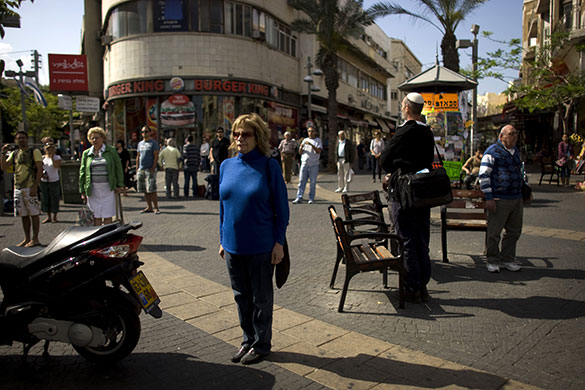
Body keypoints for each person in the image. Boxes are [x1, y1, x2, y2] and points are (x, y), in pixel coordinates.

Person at [219, 113, 289, 365]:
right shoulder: (226, 166)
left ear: (257, 137)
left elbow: (282, 210)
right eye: (236, 134)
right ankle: (247, 340)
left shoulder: (269, 166)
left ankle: (261, 344)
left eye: (245, 134)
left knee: (261, 299)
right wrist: (221, 238)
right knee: (241, 297)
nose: (239, 139)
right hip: (233, 245)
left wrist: (278, 242)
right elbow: (223, 207)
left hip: (261, 246)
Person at [380, 93, 435, 303]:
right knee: (421, 237)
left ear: (405, 108)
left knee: (406, 238)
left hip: (404, 191)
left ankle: (412, 285)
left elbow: (385, 160)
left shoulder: (404, 131)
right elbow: (428, 160)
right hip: (423, 191)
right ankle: (422, 284)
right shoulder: (427, 132)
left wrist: (397, 167)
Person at [479, 124, 524, 273]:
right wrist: (489, 197)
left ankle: (508, 258)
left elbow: (520, 171)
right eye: (511, 134)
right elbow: (484, 175)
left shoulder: (515, 152)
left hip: (516, 197)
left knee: (514, 231)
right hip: (500, 198)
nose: (514, 136)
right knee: (494, 232)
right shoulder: (492, 152)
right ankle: (492, 260)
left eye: (515, 133)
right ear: (501, 136)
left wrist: (525, 188)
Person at [1, 131, 43, 247]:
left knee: (34, 213)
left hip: (30, 187)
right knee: (23, 214)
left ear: (27, 139)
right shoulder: (14, 153)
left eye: (23, 138)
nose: (21, 140)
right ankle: (27, 238)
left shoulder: (34, 151)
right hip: (18, 187)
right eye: (19, 138)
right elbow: (4, 166)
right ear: (16, 140)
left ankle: (35, 239)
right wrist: (3, 153)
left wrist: (35, 185)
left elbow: (40, 168)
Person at [79, 127, 124, 226]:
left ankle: (107, 237)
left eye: (97, 138)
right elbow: (82, 172)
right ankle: (98, 237)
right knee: (96, 216)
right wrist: (82, 189)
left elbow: (118, 167)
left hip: (108, 188)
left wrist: (120, 184)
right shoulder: (86, 153)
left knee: (108, 215)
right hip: (93, 189)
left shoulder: (111, 151)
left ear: (102, 138)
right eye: (92, 138)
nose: (94, 140)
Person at [293, 126, 322, 204]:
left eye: (312, 131)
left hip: (314, 164)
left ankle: (311, 198)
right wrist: (301, 147)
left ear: (315, 132)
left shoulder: (318, 140)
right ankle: (299, 197)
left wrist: (311, 145)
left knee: (312, 182)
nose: (310, 133)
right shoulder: (305, 140)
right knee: (301, 181)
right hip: (305, 163)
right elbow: (300, 152)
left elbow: (319, 151)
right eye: (309, 131)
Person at [136, 126, 160, 214]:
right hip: (141, 169)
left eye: (146, 131)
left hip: (150, 169)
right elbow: (138, 156)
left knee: (152, 189)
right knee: (144, 189)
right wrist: (137, 168)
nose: (144, 133)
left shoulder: (153, 143)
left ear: (150, 132)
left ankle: (156, 207)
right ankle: (149, 207)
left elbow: (156, 156)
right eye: (142, 132)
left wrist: (153, 167)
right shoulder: (140, 144)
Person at [40, 143, 62, 223]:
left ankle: (55, 216)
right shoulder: (42, 158)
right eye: (48, 149)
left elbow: (57, 166)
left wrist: (52, 157)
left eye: (51, 148)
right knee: (45, 198)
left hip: (54, 180)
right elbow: (39, 168)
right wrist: (42, 175)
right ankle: (48, 216)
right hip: (44, 181)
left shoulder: (57, 157)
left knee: (54, 198)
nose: (50, 150)